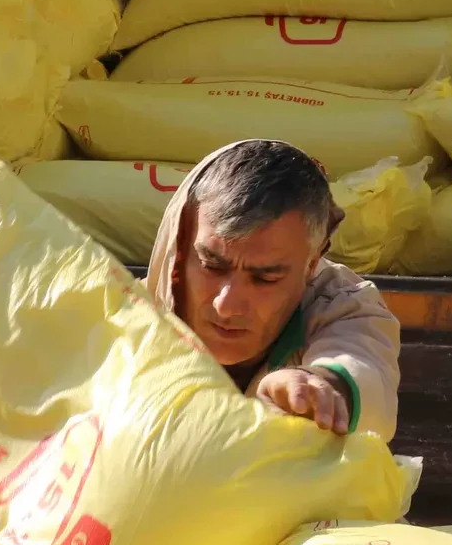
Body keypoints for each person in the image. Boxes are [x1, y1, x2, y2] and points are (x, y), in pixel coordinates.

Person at [146, 138, 399, 436]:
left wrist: (318, 388)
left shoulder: (345, 306)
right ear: (181, 246)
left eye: (265, 278)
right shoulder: (119, 319)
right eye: (212, 265)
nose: (227, 305)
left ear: (312, 263)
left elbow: (360, 365)